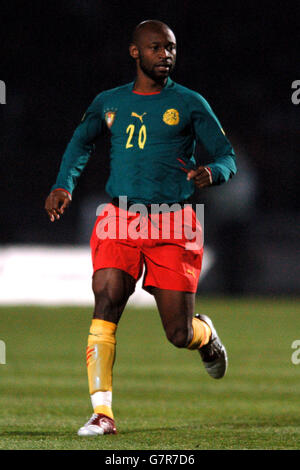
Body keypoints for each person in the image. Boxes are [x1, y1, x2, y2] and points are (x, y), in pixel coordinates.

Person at [45, 20, 237, 436]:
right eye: (155, 48)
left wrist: (213, 172)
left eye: (170, 48)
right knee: (107, 298)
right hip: (120, 217)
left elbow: (226, 155)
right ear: (135, 53)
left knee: (178, 333)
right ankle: (102, 414)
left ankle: (205, 336)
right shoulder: (108, 102)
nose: (165, 55)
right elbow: (81, 141)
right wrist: (64, 184)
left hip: (175, 222)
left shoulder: (189, 103)